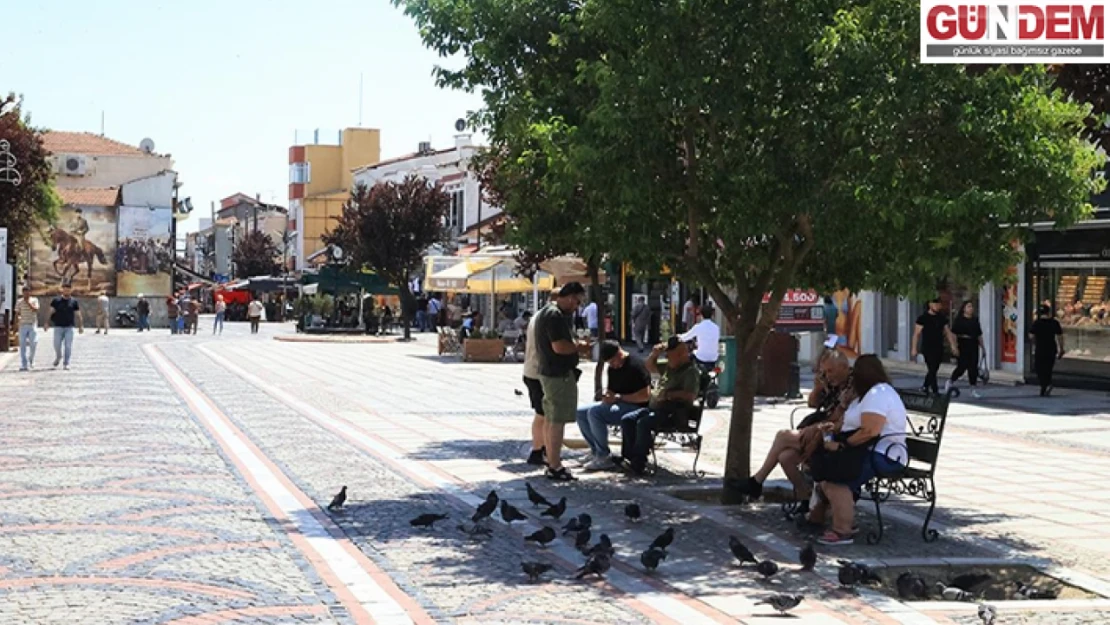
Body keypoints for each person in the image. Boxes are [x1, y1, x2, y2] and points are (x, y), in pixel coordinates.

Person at [805, 355, 907, 546]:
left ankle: (842, 531)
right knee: (825, 472)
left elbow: (870, 430)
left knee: (836, 480)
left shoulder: (878, 394)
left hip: (884, 455)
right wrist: (833, 430)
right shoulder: (866, 394)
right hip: (868, 449)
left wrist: (843, 445)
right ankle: (818, 518)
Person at [746, 350, 853, 504]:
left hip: (835, 434)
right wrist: (818, 387)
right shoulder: (832, 383)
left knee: (783, 435)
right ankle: (805, 497)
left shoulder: (852, 385)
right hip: (822, 429)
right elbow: (813, 404)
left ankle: (756, 482)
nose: (828, 376)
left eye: (831, 371)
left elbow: (838, 418)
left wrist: (817, 428)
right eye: (825, 372)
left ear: (844, 367)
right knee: (785, 457)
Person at [620, 336, 701, 475]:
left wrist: (669, 395)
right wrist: (655, 354)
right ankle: (628, 457)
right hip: (656, 409)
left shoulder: (690, 372)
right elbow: (649, 366)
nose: (668, 358)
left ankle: (638, 462)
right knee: (627, 419)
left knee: (643, 424)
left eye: (670, 355)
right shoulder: (671, 366)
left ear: (682, 354)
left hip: (673, 413)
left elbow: (690, 396)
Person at [535, 282, 588, 481]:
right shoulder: (555, 316)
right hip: (558, 374)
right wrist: (579, 347)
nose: (577, 306)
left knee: (550, 418)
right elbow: (559, 347)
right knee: (557, 420)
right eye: (577, 301)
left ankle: (551, 461)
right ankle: (555, 465)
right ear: (569, 297)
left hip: (548, 372)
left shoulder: (546, 312)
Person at [575, 340, 652, 471]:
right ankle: (595, 450)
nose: (612, 365)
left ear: (619, 354)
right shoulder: (612, 369)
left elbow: (645, 396)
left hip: (636, 407)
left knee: (595, 413)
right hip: (618, 403)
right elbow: (613, 391)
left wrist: (619, 397)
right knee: (580, 412)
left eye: (612, 361)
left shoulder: (635, 366)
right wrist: (606, 395)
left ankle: (603, 456)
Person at [522, 292, 560, 466]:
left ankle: (542, 448)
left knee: (542, 413)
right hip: (539, 372)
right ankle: (538, 450)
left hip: (532, 370)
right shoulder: (549, 318)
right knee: (542, 414)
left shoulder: (538, 316)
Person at [910, 298, 958, 395]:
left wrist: (953, 346)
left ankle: (925, 386)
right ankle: (935, 390)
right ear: (930, 305)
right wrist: (914, 348)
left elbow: (948, 332)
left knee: (934, 368)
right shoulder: (923, 318)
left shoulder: (941, 318)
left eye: (939, 304)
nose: (938, 306)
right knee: (931, 368)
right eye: (935, 304)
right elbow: (916, 334)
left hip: (938, 346)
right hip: (927, 347)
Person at [947, 300, 985, 398]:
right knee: (962, 366)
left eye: (971, 306)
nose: (971, 308)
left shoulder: (975, 320)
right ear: (964, 308)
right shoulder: (959, 320)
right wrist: (954, 346)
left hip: (973, 344)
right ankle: (951, 381)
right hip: (963, 344)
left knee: (973, 367)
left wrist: (983, 347)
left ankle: (973, 388)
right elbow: (953, 334)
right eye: (968, 306)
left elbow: (979, 335)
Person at [44, 283, 83, 370]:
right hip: (58, 326)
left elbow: (78, 314)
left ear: (71, 290)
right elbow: (50, 312)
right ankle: (58, 356)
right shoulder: (56, 301)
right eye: (65, 289)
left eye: (68, 289)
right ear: (62, 289)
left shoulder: (74, 302)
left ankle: (66, 363)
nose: (66, 291)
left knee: (68, 345)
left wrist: (81, 325)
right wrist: (47, 322)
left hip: (69, 327)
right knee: (56, 344)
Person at [1029, 305, 1064, 397]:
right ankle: (1046, 385)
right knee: (1048, 368)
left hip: (1040, 348)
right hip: (1051, 348)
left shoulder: (1037, 323)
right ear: (1049, 312)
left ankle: (1044, 385)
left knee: (1039, 367)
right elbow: (1060, 337)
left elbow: (1031, 336)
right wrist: (1061, 349)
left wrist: (1034, 343)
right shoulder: (1054, 323)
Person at [679, 304, 720, 371]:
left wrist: (678, 336)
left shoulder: (698, 327)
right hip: (714, 357)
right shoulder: (716, 328)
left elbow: (685, 337)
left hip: (701, 357)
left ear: (701, 315)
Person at [16, 287, 40, 371]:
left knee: (34, 343)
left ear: (30, 292)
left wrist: (28, 302)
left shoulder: (34, 300)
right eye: (24, 292)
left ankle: (31, 359)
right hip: (22, 325)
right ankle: (24, 364)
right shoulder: (19, 301)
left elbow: (36, 309)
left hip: (32, 324)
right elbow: (17, 313)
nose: (26, 294)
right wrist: (16, 324)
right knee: (22, 345)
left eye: (27, 292)